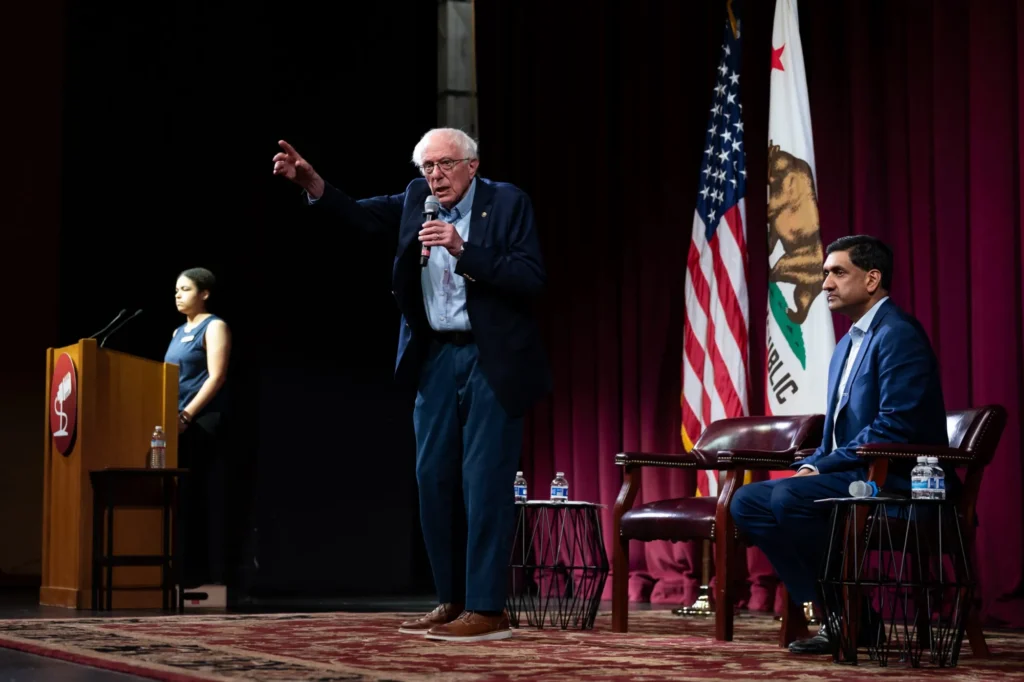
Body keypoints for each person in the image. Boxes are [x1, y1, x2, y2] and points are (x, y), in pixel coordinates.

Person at [272, 128, 551, 642]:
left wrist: (463, 249)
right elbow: (359, 215)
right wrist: (313, 185)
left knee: (484, 481)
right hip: (436, 356)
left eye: (445, 165)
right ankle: (451, 599)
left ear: (472, 165)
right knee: (432, 479)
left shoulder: (507, 203)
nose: (434, 177)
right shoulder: (416, 200)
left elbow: (530, 276)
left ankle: (488, 608)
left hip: (492, 359)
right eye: (427, 167)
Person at [730, 235, 952, 654]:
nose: (826, 284)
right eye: (824, 274)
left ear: (872, 279)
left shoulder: (899, 333)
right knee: (748, 501)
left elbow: (896, 423)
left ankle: (847, 613)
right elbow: (837, 431)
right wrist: (816, 461)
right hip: (855, 472)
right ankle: (848, 613)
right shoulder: (848, 343)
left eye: (837, 273)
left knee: (790, 497)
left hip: (900, 479)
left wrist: (825, 465)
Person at [164, 267, 232, 588]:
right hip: (176, 422)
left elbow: (216, 377)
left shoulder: (214, 326)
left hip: (201, 421)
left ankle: (202, 577)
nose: (178, 294)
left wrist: (187, 416)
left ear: (204, 293)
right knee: (181, 500)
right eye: (176, 289)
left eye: (186, 289)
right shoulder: (177, 333)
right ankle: (180, 572)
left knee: (199, 497)